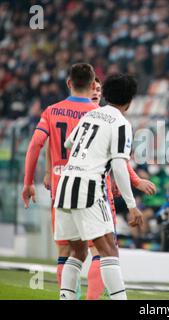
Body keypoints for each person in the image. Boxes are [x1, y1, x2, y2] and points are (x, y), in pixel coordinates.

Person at [53, 73, 142, 300]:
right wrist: (131, 205)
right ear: (129, 102)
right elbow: (119, 165)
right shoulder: (121, 123)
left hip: (65, 184)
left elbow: (68, 142)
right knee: (108, 250)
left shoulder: (91, 115)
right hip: (88, 187)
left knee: (78, 251)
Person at [22, 63, 98, 290]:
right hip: (90, 190)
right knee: (100, 253)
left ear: (69, 83)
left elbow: (36, 144)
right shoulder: (99, 115)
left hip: (61, 190)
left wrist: (28, 183)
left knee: (65, 253)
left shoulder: (51, 111)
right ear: (94, 85)